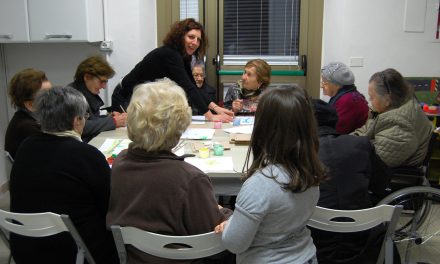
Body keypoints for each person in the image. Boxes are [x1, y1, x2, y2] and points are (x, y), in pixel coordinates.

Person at [106, 78, 233, 263]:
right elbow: (213, 237)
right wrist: (226, 212)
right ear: (179, 127)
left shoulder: (120, 162)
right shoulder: (190, 179)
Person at [214, 85, 325, 263]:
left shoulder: (261, 185)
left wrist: (230, 224)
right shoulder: (310, 172)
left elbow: (234, 244)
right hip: (306, 257)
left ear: (263, 128)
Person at [9, 86, 118, 264]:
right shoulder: (86, 155)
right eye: (85, 116)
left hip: (25, 247)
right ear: (77, 121)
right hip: (73, 252)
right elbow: (110, 206)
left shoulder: (26, 146)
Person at [310, 99, 399, 264]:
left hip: (314, 244)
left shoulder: (298, 152)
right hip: (364, 243)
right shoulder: (360, 144)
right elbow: (382, 183)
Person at [115, 18, 233, 122]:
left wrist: (216, 109)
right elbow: (188, 87)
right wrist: (210, 116)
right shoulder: (170, 54)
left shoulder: (183, 56)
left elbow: (193, 86)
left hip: (140, 96)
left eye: (198, 39)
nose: (195, 42)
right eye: (191, 37)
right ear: (180, 36)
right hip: (125, 96)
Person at [352, 68, 433, 168]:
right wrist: (348, 140)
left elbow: (375, 160)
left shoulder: (400, 124)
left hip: (396, 177)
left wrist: (345, 147)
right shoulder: (393, 107)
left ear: (387, 98)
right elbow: (367, 130)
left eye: (372, 97)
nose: (369, 101)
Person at [66, 55, 127, 142]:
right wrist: (113, 121)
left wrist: (109, 117)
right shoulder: (71, 96)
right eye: (102, 81)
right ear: (87, 77)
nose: (104, 87)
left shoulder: (86, 92)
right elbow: (79, 126)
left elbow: (91, 119)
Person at [5, 68, 52, 159]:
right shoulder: (28, 129)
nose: (56, 97)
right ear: (30, 105)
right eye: (47, 95)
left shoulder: (25, 119)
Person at [320, 62, 369, 134]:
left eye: (325, 83)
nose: (321, 86)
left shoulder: (347, 100)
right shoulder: (346, 95)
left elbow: (336, 131)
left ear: (337, 85)